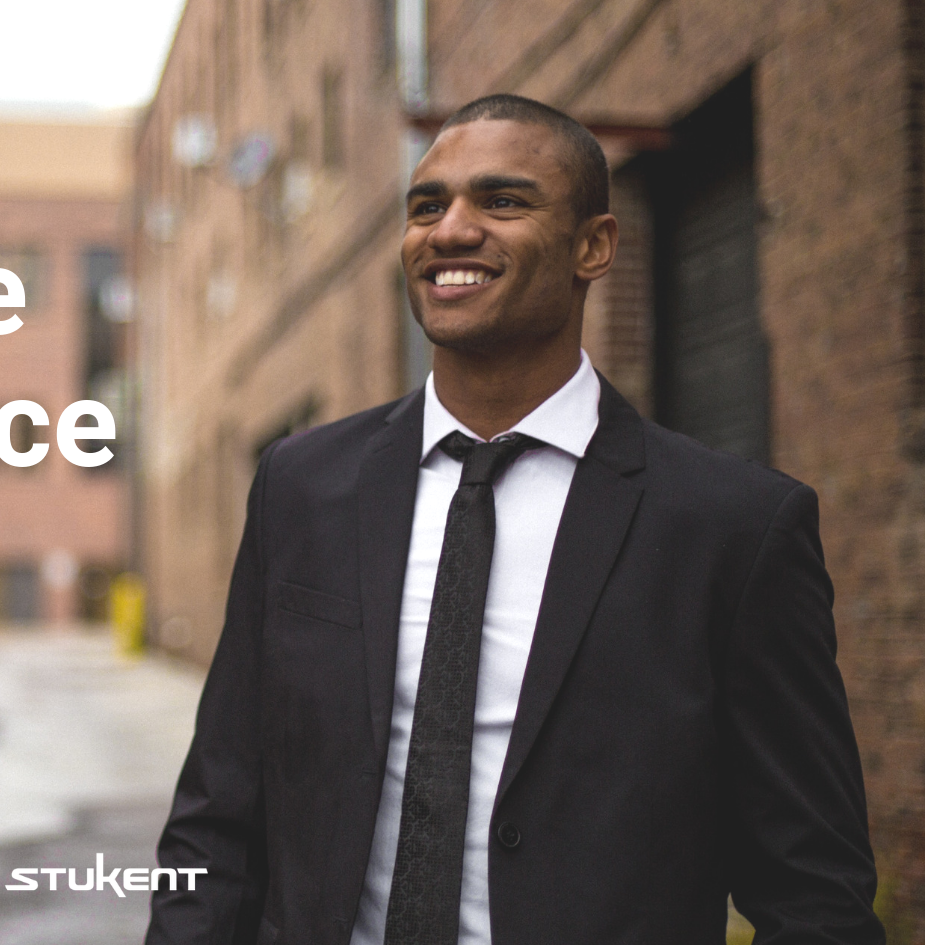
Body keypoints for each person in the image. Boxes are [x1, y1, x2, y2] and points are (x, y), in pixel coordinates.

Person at [144, 94, 883, 945]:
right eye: (428, 206)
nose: (451, 231)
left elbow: (814, 892)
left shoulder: (734, 528)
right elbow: (217, 815)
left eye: (501, 202)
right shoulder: (302, 487)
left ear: (593, 246)